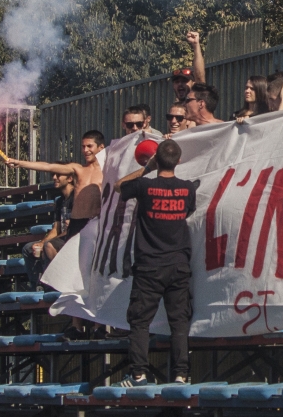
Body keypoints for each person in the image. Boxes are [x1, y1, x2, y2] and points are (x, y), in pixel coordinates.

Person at [6, 130, 106, 340]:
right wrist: (21, 163)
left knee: (94, 278)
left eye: (90, 146)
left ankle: (98, 326)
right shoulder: (78, 169)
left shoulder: (107, 171)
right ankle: (77, 326)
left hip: (96, 225)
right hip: (77, 227)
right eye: (83, 146)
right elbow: (50, 166)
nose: (86, 150)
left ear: (100, 148)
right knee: (72, 277)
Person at [115, 139, 196, 387]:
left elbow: (119, 187)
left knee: (140, 322)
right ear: (179, 161)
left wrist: (147, 168)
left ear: (156, 160)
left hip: (149, 266)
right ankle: (181, 375)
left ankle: (139, 374)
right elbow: (188, 212)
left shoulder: (143, 185)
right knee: (179, 322)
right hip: (179, 265)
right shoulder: (188, 189)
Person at [22, 169, 74, 290]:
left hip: (73, 238)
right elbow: (56, 228)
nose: (55, 177)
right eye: (53, 175)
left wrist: (46, 243)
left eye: (58, 174)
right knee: (29, 248)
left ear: (70, 178)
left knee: (49, 246)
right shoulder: (60, 201)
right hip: (61, 238)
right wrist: (40, 243)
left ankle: (53, 285)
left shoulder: (77, 197)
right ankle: (37, 286)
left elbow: (76, 227)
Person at [171, 30, 207, 102]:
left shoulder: (197, 103)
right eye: (177, 82)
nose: (180, 84)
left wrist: (196, 45)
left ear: (193, 83)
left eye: (185, 81)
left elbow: (199, 78)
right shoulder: (174, 110)